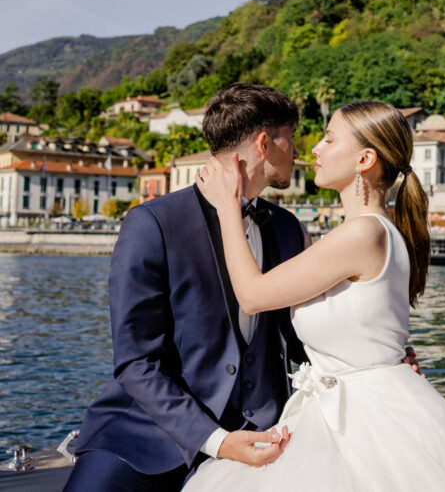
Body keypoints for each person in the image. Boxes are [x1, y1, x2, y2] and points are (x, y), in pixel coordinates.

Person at [184, 100, 445, 491]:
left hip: (364, 420)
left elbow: (252, 296)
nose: (314, 149)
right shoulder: (371, 230)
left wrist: (226, 207)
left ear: (364, 159)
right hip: (357, 408)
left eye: (329, 139)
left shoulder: (362, 234)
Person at [67, 83, 316, 491]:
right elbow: (135, 363)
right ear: (265, 143)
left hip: (266, 432)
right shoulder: (151, 223)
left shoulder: (287, 229)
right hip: (147, 435)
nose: (298, 153)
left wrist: (372, 360)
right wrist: (217, 441)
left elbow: (302, 337)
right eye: (291, 140)